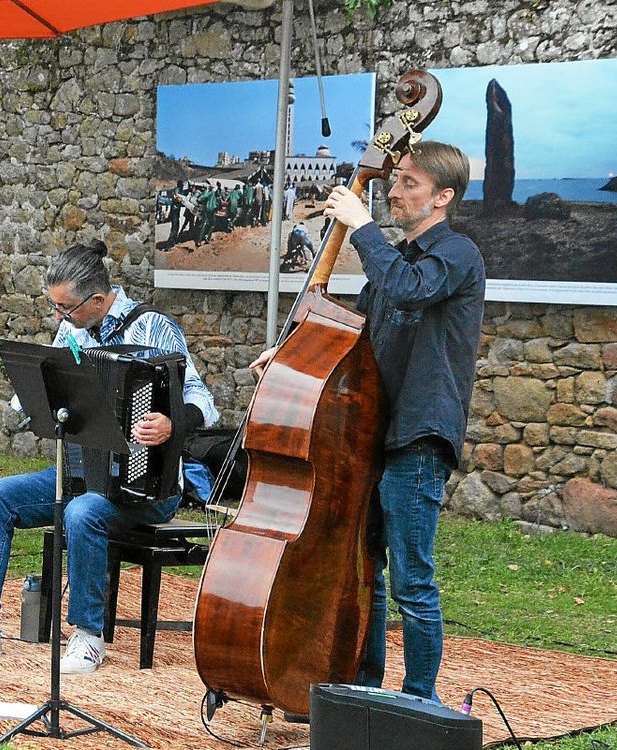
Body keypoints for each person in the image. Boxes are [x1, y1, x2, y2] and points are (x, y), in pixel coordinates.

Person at [255, 141, 483, 702]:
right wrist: (291, 352)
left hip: (419, 436)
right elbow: (351, 334)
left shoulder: (456, 254)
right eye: (396, 179)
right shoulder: (398, 260)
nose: (394, 190)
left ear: (442, 197)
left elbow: (410, 293)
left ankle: (419, 702)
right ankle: (365, 691)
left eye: (408, 183)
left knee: (412, 581)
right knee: (366, 574)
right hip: (373, 432)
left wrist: (360, 227)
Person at [0, 240, 219, 674]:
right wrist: (31, 396)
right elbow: (45, 396)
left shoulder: (154, 328)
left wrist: (172, 423)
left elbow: (205, 402)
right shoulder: (73, 330)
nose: (59, 318)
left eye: (66, 309)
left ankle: (87, 637)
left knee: (83, 512)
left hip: (146, 487)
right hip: (80, 473)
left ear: (98, 300)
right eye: (54, 307)